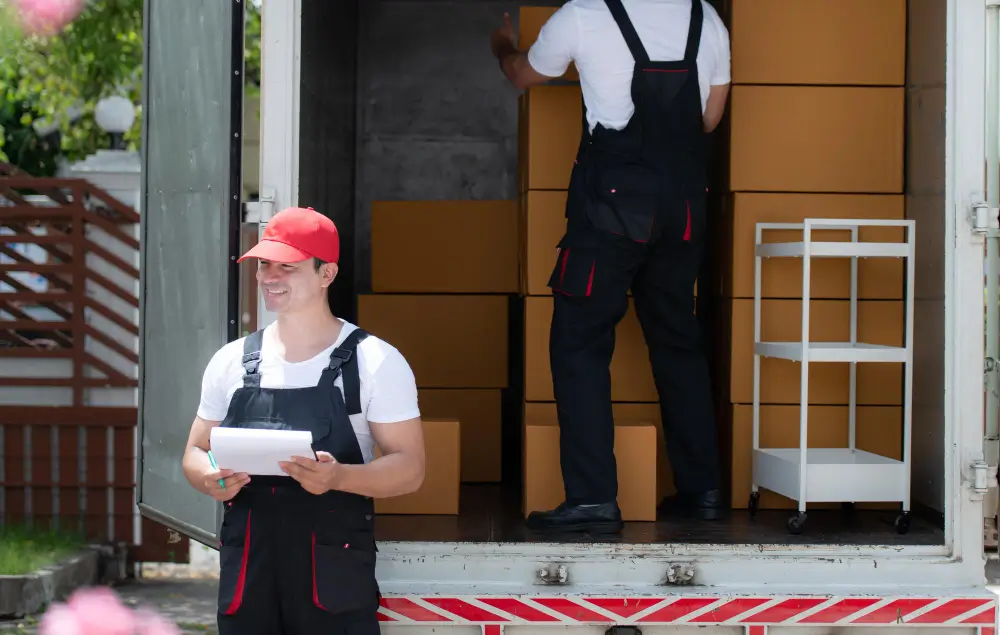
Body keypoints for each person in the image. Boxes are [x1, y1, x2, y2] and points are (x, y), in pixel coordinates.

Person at [491, 0, 731, 533]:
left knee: (578, 343)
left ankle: (593, 498)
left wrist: (502, 47)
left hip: (612, 214)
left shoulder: (583, 14)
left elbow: (523, 75)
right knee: (677, 344)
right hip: (684, 213)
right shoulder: (706, 19)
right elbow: (709, 118)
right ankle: (702, 489)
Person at [181, 206, 426, 634]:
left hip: (331, 580)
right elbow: (196, 449)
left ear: (326, 274)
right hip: (248, 576)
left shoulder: (375, 362)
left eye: (287, 267)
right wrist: (208, 478)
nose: (269, 277)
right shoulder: (232, 361)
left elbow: (410, 469)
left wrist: (339, 478)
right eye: (263, 265)